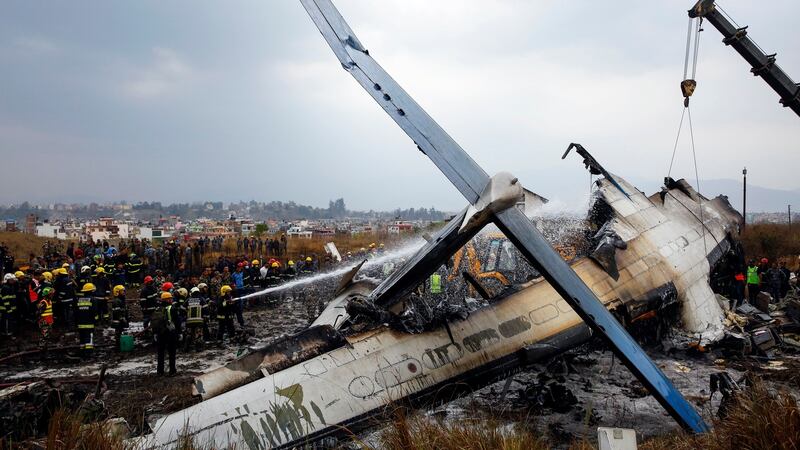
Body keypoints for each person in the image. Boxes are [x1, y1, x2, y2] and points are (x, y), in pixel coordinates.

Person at [153, 291, 180, 376]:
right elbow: (177, 322)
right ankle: (172, 371)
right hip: (170, 333)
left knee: (161, 354)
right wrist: (180, 333)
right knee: (172, 353)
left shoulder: (157, 309)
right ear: (167, 300)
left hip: (160, 334)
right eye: (170, 298)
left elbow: (154, 322)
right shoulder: (172, 308)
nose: (171, 299)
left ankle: (159, 372)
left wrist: (155, 333)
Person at [76, 283, 99, 357]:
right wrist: (96, 320)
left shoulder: (79, 299)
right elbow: (95, 311)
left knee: (82, 338)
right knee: (89, 338)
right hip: (89, 323)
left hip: (80, 324)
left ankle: (82, 352)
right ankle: (89, 354)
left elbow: (76, 311)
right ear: (91, 291)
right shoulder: (93, 300)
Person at [184, 287, 206, 352]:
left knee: (189, 334)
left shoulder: (188, 300)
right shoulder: (202, 299)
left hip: (189, 321)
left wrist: (185, 315)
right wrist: (205, 316)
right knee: (198, 334)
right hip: (199, 321)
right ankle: (199, 348)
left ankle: (187, 348)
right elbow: (206, 309)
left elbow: (182, 309)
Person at [111, 285, 129, 351]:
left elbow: (124, 310)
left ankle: (120, 345)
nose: (123, 292)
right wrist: (122, 318)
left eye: (124, 291)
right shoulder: (116, 301)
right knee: (118, 333)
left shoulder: (122, 300)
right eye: (122, 291)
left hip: (121, 320)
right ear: (117, 292)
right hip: (118, 321)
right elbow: (117, 312)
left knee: (120, 332)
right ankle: (118, 346)